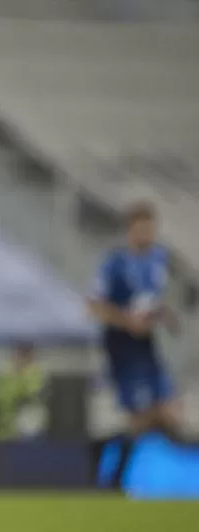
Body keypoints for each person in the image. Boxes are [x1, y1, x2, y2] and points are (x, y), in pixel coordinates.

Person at [87, 202, 181, 489]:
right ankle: (105, 468)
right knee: (141, 416)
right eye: (141, 228)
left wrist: (166, 316)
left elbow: (151, 301)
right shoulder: (115, 263)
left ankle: (111, 470)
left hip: (147, 346)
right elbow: (94, 306)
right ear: (130, 230)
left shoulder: (158, 261)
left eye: (150, 228)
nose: (146, 234)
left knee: (167, 412)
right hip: (122, 347)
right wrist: (127, 322)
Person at [0, 342, 48, 441]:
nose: (22, 358)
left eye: (27, 354)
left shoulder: (37, 372)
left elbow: (36, 395)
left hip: (31, 433)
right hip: (4, 433)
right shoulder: (4, 371)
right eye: (20, 353)